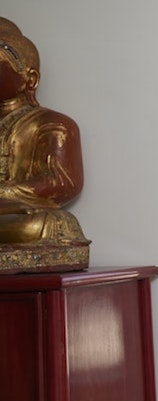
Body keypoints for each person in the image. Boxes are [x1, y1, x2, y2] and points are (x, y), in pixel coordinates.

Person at [0, 17, 89, 268]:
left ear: (30, 79)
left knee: (36, 225)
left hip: (20, 216)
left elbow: (61, 184)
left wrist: (5, 191)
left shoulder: (54, 124)